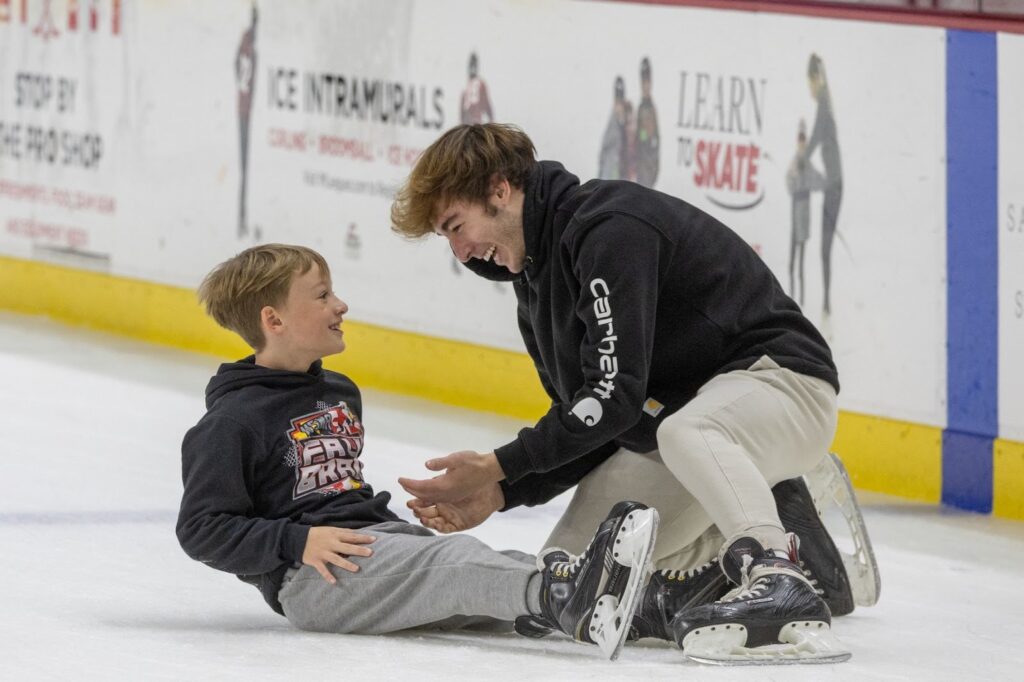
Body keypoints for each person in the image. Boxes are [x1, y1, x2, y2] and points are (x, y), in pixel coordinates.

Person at [390, 123, 855, 664]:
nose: (461, 251)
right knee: (571, 581)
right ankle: (789, 534)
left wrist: (498, 465)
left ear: (499, 190)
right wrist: (503, 492)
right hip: (678, 433)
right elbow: (589, 419)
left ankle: (775, 573)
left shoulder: (608, 228)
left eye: (455, 226)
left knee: (693, 430)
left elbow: (613, 399)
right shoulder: (534, 283)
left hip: (783, 384)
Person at [175, 243, 658, 659]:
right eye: (323, 296)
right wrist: (295, 543)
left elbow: (335, 490)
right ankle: (568, 597)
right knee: (459, 565)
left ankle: (650, 608)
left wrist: (396, 530)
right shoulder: (230, 423)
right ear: (273, 319)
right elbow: (201, 528)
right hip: (314, 577)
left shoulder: (339, 391)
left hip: (377, 545)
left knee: (502, 565)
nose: (340, 305)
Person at [804, 53, 843, 317]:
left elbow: (817, 135)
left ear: (816, 79)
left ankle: (827, 303)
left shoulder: (823, 103)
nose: (809, 88)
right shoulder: (825, 102)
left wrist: (801, 159)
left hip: (834, 185)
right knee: (823, 247)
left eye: (810, 82)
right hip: (832, 183)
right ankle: (826, 302)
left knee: (824, 246)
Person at [786, 119, 825, 307]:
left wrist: (807, 181)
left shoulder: (807, 163)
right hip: (795, 211)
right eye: (799, 138)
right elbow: (789, 183)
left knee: (800, 264)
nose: (801, 142)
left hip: (803, 212)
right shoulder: (795, 161)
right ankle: (791, 299)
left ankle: (799, 303)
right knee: (791, 263)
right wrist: (794, 177)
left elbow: (820, 182)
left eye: (803, 139)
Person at [634, 57, 660, 189]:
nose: (645, 87)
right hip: (641, 167)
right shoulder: (640, 108)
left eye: (648, 83)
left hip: (648, 167)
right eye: (643, 83)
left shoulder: (651, 109)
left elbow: (655, 138)